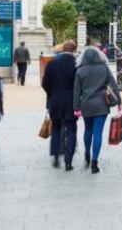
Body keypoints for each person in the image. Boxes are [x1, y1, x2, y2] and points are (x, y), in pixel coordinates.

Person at [74, 47, 121, 174]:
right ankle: (95, 162)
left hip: (86, 104)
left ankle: (87, 152)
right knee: (98, 132)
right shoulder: (104, 68)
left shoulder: (80, 70)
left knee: (87, 130)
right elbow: (114, 85)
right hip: (101, 105)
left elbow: (76, 91)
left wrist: (76, 108)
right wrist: (119, 102)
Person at [42, 40, 78, 170]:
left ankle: (56, 155)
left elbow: (45, 83)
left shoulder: (52, 63)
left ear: (63, 49)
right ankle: (68, 161)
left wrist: (51, 94)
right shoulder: (76, 64)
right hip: (71, 102)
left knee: (56, 128)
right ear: (74, 50)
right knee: (71, 130)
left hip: (55, 101)